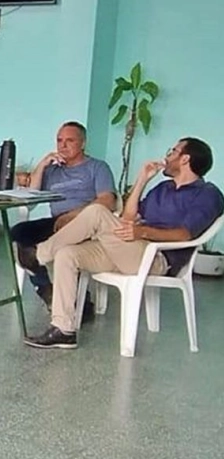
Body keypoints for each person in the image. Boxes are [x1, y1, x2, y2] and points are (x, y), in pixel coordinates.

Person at [19, 137, 224, 349]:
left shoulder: (208, 194)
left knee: (97, 212)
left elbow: (185, 234)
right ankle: (63, 330)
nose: (167, 155)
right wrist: (142, 179)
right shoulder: (163, 188)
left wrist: (142, 231)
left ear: (185, 159)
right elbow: (127, 218)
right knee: (67, 254)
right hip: (130, 250)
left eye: (173, 151)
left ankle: (39, 255)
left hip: (157, 258)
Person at [9, 122, 116, 306]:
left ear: (83, 143)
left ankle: (79, 300)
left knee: (37, 251)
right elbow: (32, 196)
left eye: (70, 141)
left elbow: (108, 201)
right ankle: (47, 290)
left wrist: (74, 215)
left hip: (85, 223)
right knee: (19, 233)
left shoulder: (97, 167)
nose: (63, 145)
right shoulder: (53, 170)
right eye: (59, 141)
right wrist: (43, 164)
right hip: (57, 222)